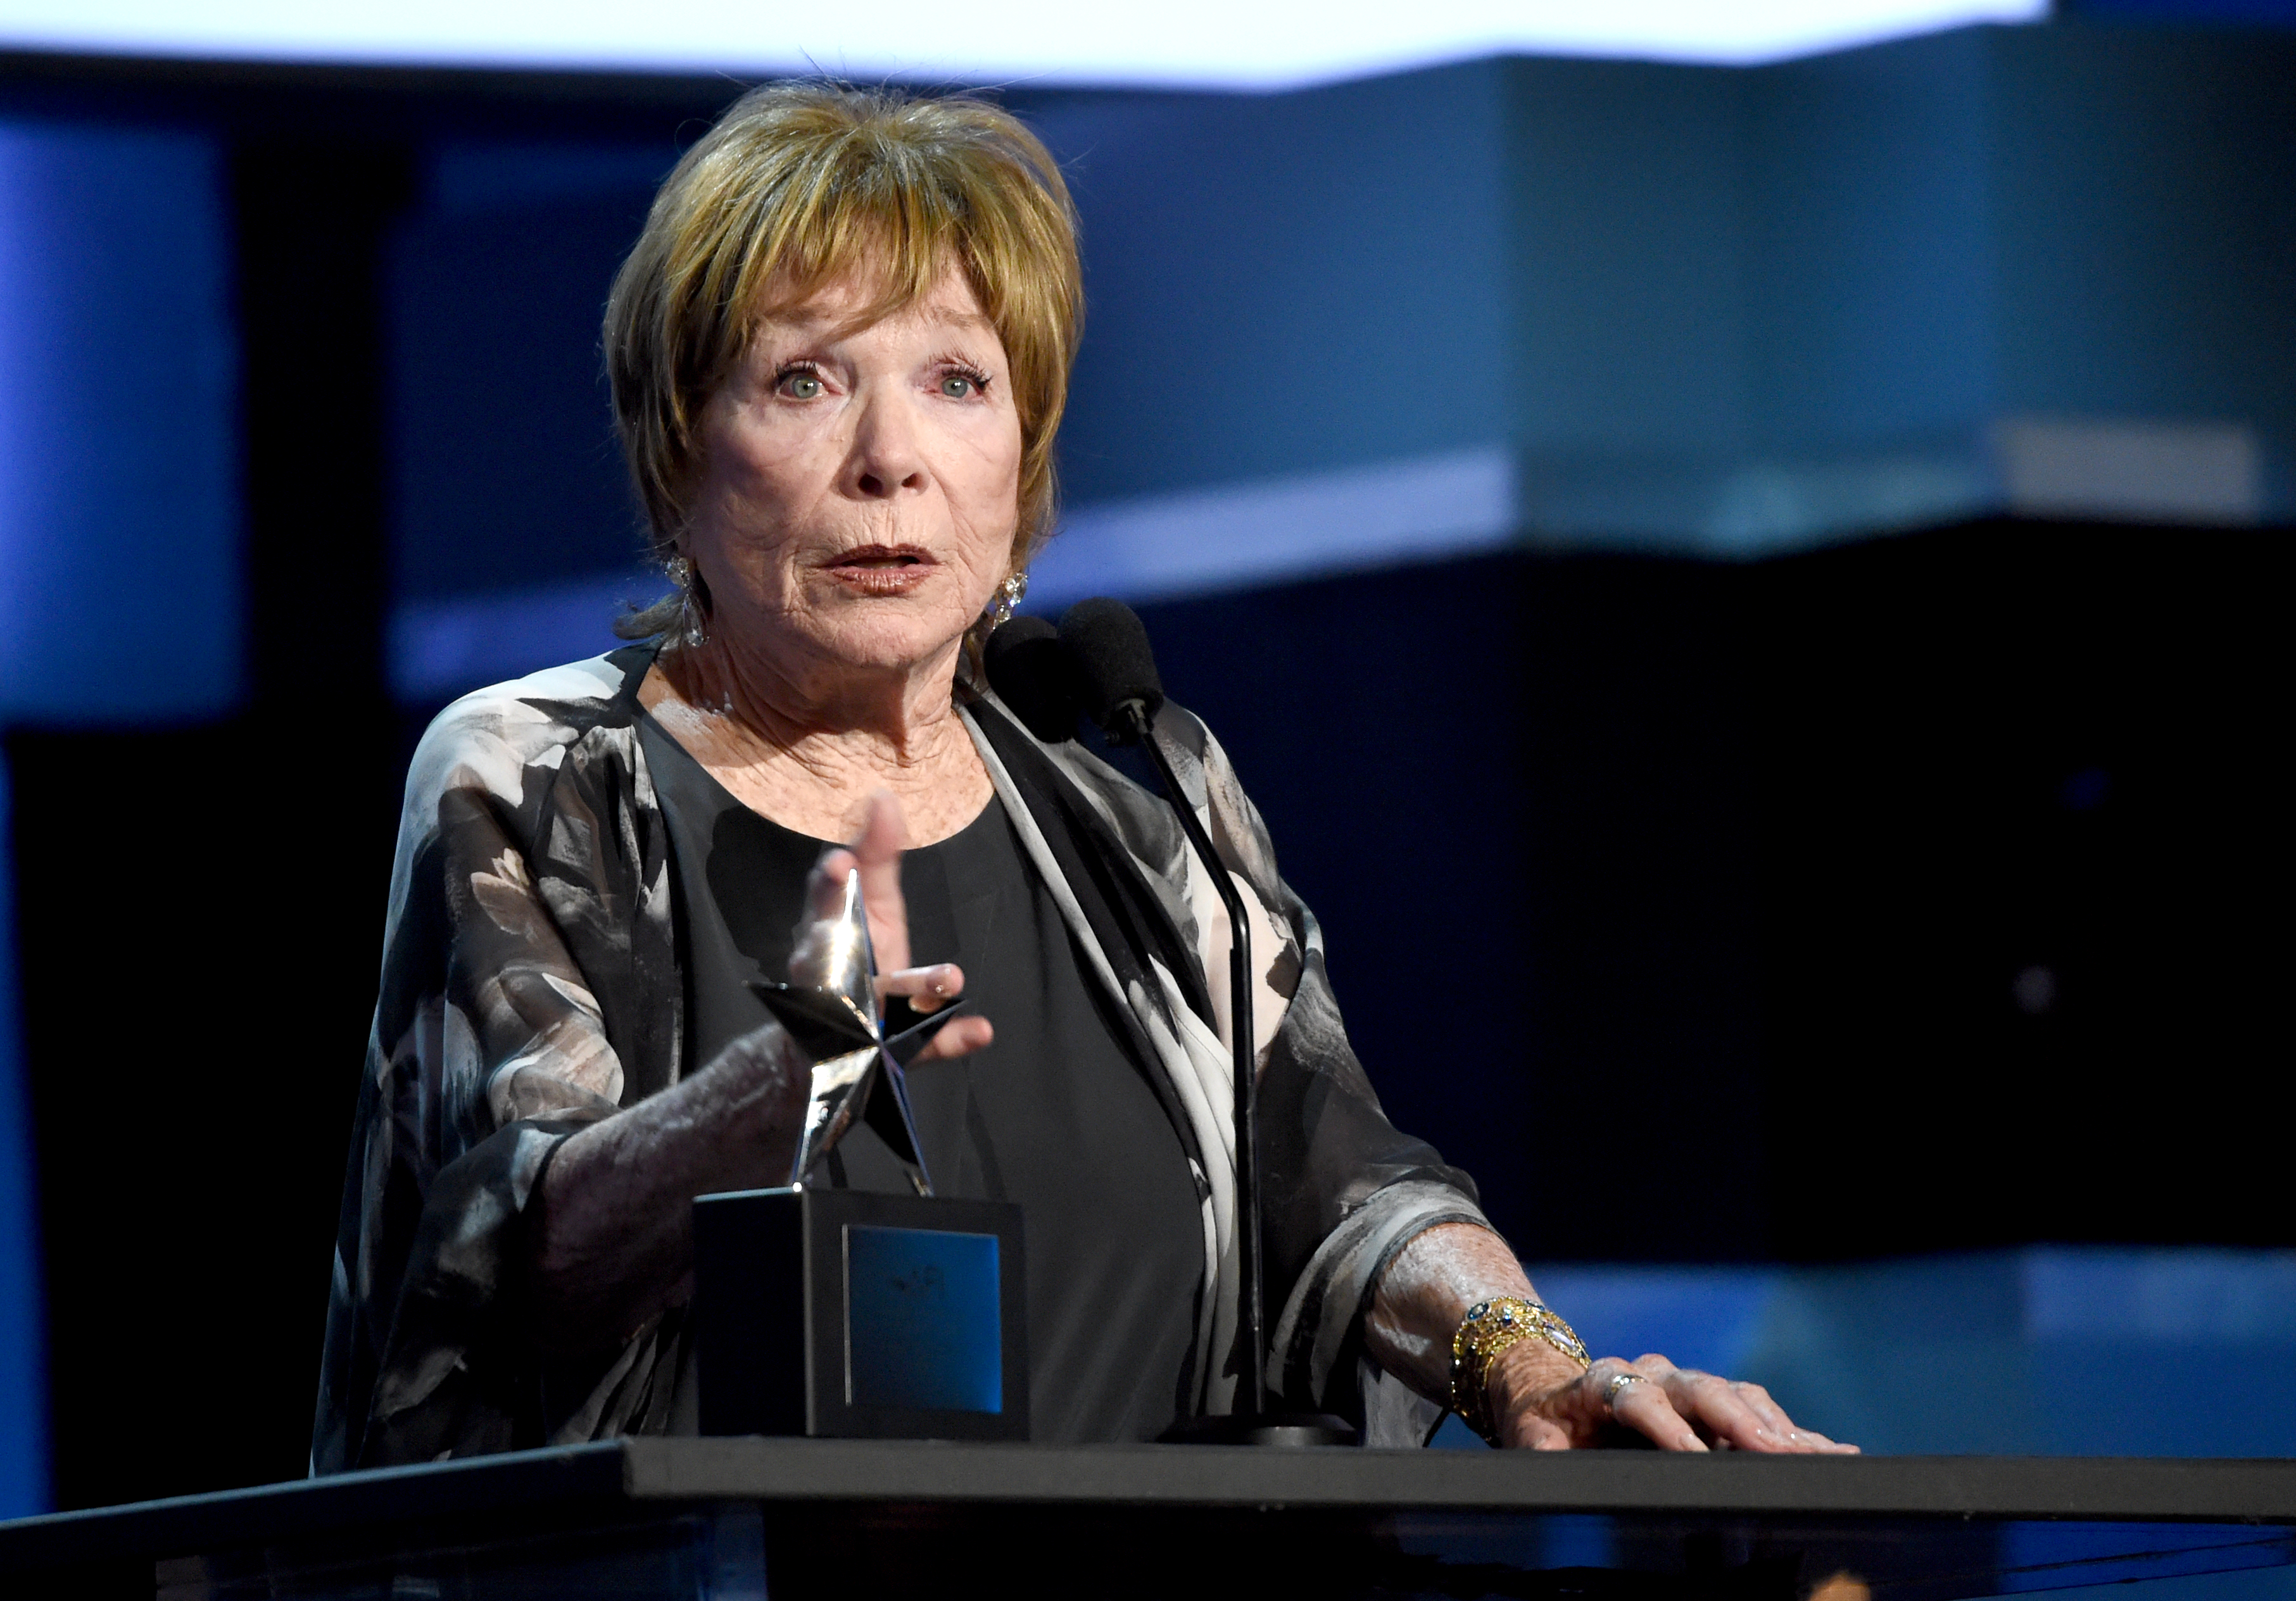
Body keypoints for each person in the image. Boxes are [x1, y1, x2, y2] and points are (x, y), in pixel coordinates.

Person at [313, 83, 1851, 1470]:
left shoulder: (1139, 817)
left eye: (957, 383)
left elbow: (1343, 1190)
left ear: (1023, 465)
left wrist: (1527, 1366)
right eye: (802, 381)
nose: (887, 457)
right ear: (678, 452)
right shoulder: (543, 779)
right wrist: (767, 1092)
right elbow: (503, 1264)